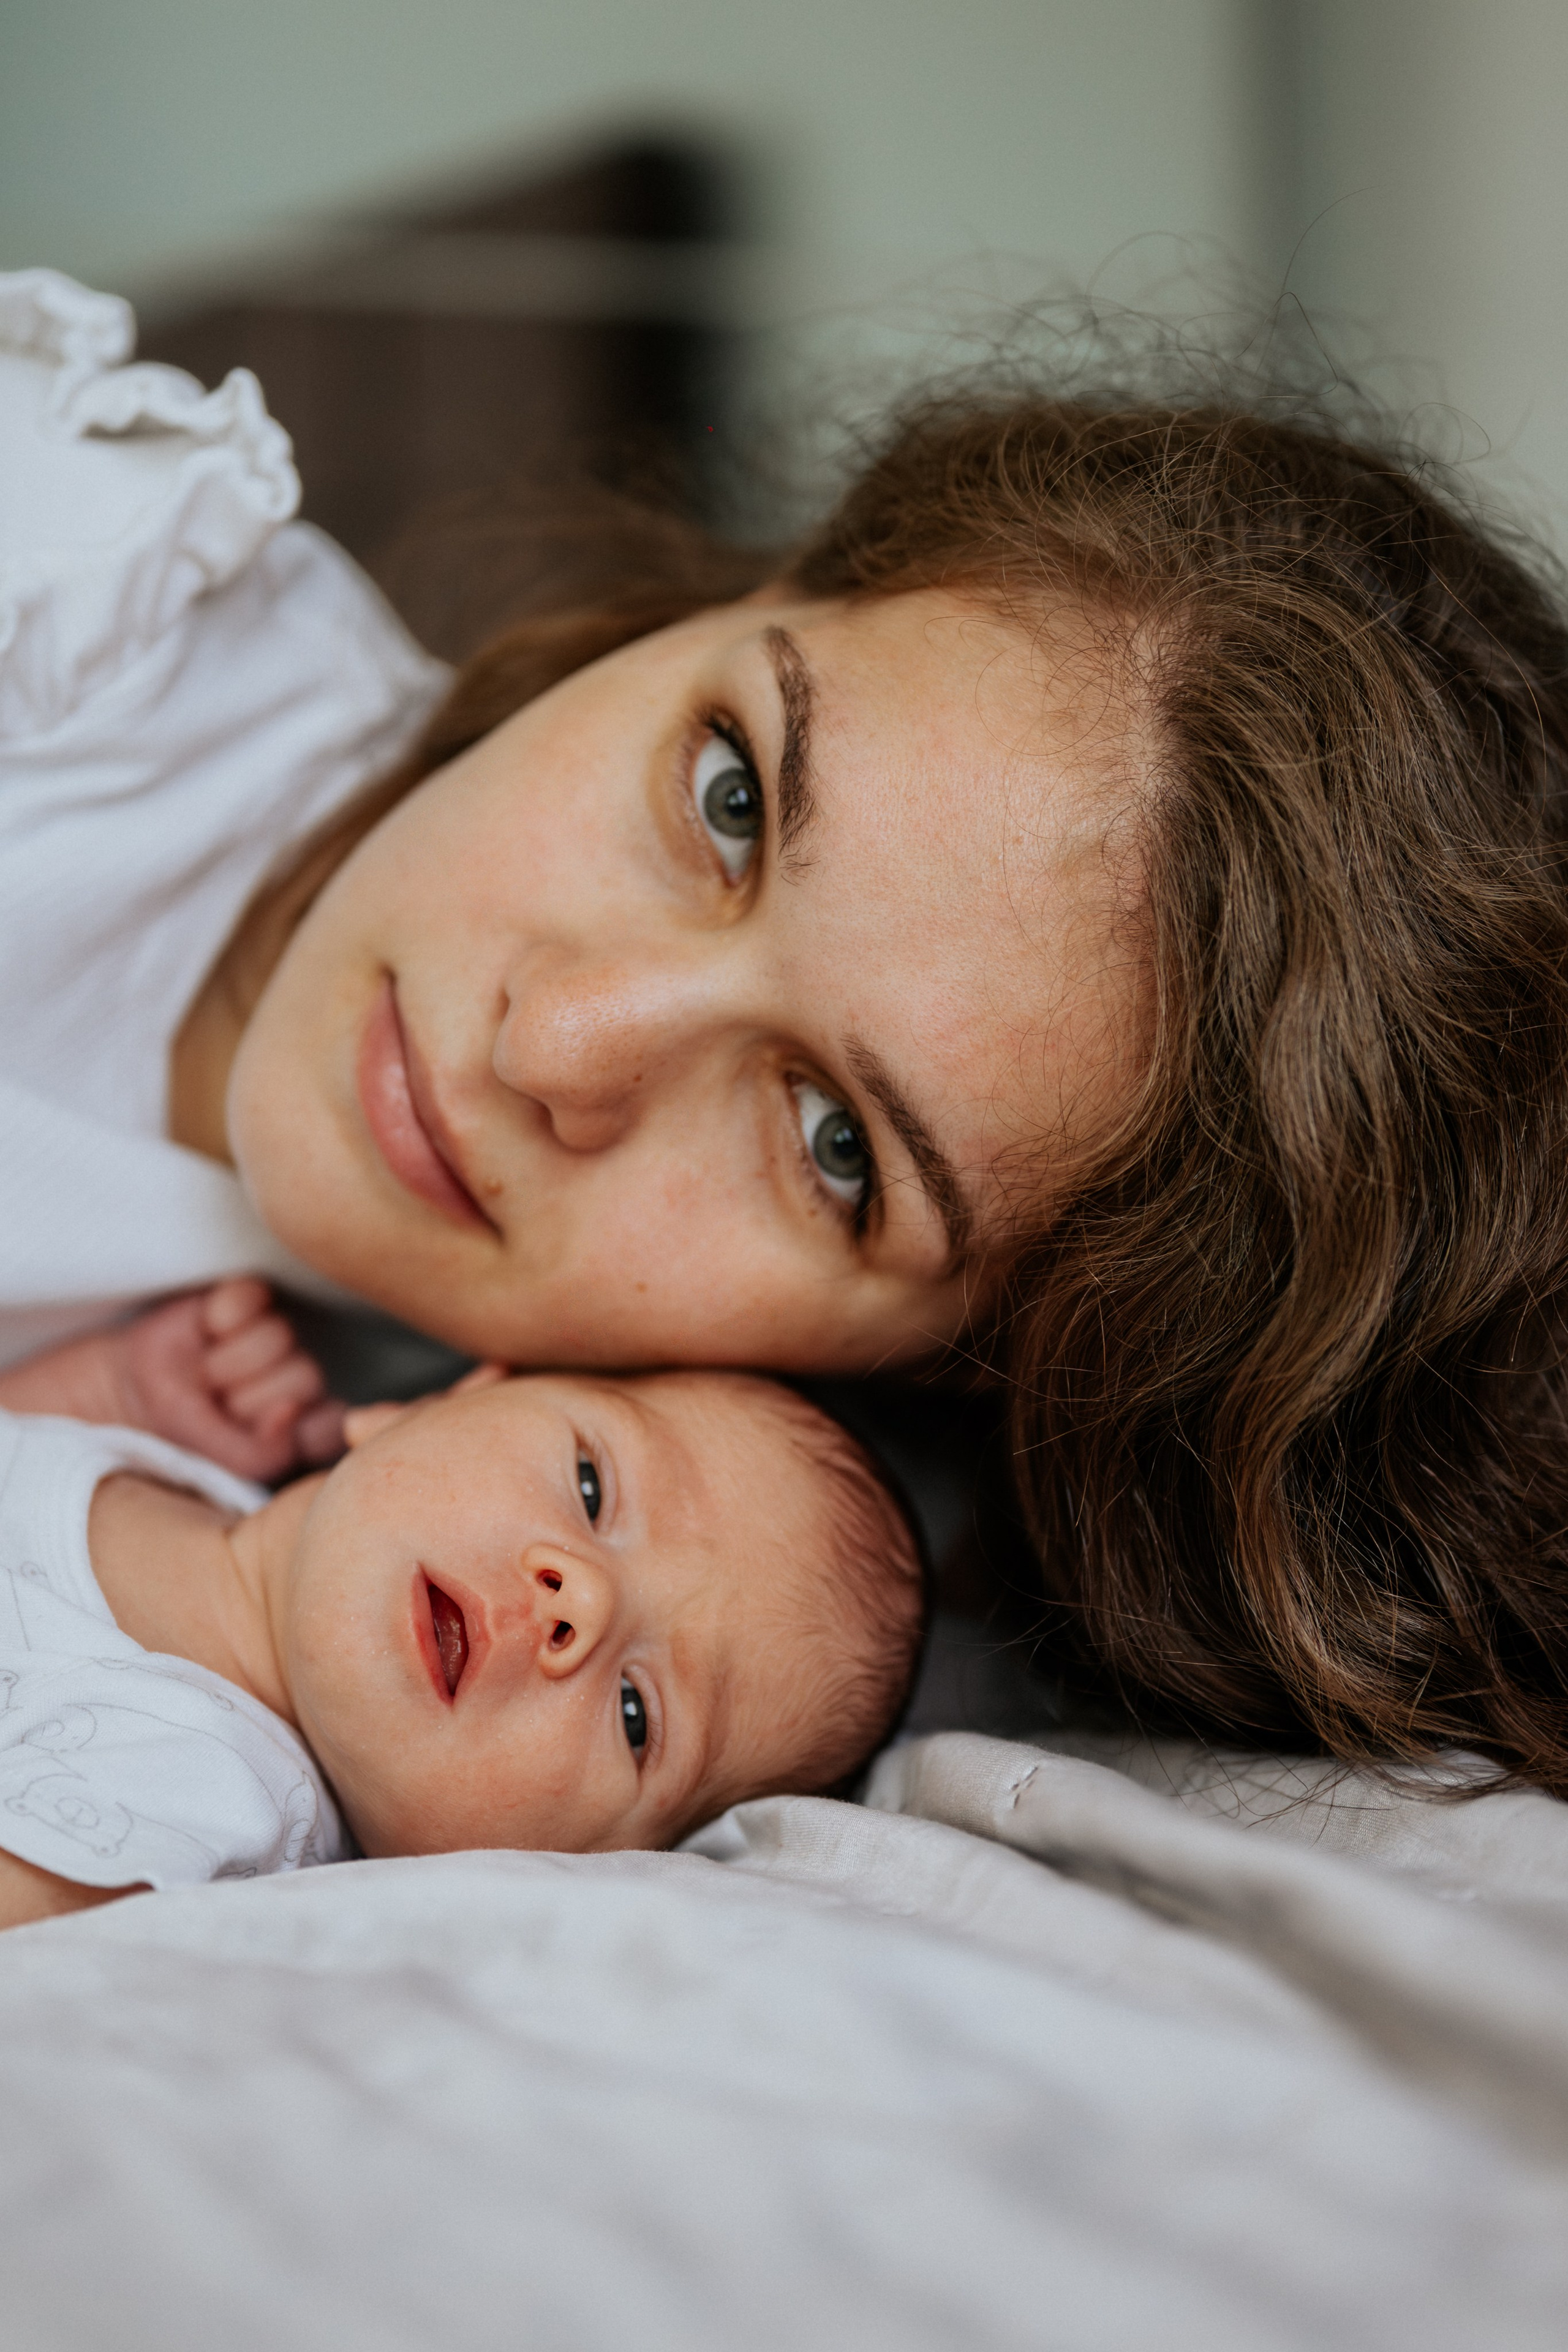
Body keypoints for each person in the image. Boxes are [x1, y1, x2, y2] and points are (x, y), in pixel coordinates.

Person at [5, 266, 1568, 1796]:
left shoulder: (489, 1542)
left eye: (836, 1150)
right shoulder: (80, 607)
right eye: (730, 795)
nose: (555, 1041)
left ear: (928, 1370)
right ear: (734, 603)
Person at [0, 1342, 925, 1931]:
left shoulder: (190, 1806)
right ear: (432, 1401)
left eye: (638, 1716)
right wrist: (113, 1382)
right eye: (592, 1487)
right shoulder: (164, 1467)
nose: (581, 1605)